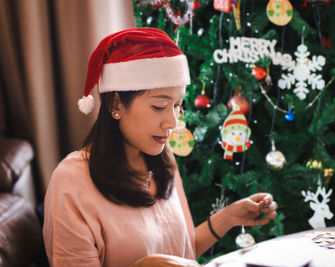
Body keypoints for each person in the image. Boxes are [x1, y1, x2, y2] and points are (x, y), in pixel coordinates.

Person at [43, 27, 278, 267]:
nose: (173, 122)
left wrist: (229, 217)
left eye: (177, 105)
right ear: (116, 103)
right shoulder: (71, 183)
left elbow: (185, 250)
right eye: (159, 107)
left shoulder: (163, 157)